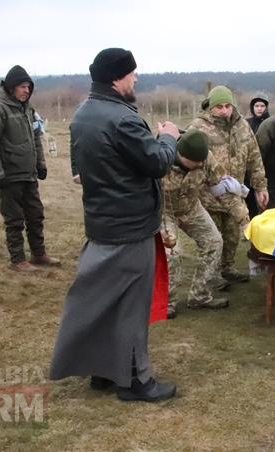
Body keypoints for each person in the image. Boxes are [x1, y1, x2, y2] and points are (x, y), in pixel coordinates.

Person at [49, 48, 180, 402]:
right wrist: (168, 136)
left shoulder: (83, 114)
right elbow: (156, 163)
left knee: (103, 302)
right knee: (131, 308)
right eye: (132, 74)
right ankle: (137, 382)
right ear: (116, 78)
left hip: (101, 224)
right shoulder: (123, 119)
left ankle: (103, 372)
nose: (136, 78)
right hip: (131, 227)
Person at [0, 65, 61, 272]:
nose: (26, 90)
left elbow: (35, 137)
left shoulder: (28, 109)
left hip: (29, 174)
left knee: (36, 215)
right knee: (14, 219)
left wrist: (40, 164)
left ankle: (38, 253)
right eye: (22, 87)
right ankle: (17, 260)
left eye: (28, 87)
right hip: (9, 176)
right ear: (11, 87)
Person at [161, 129, 250, 315]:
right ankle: (166, 302)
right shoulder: (161, 158)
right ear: (181, 155)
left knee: (214, 242)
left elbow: (224, 189)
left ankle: (199, 295)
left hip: (192, 207)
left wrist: (244, 220)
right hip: (163, 211)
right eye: (196, 162)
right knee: (172, 253)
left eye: (203, 160)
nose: (202, 164)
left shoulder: (206, 159)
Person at [189, 86, 268, 283]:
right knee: (212, 239)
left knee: (232, 236)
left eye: (227, 106)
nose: (224, 111)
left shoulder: (242, 126)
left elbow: (255, 158)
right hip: (209, 195)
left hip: (234, 194)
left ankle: (228, 268)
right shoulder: (198, 127)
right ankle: (212, 276)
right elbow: (187, 159)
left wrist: (260, 186)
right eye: (219, 107)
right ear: (210, 107)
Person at [244, 92, 270, 218]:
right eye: (257, 106)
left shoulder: (271, 123)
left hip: (267, 166)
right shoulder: (246, 124)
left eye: (262, 106)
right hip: (249, 168)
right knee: (251, 201)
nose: (259, 109)